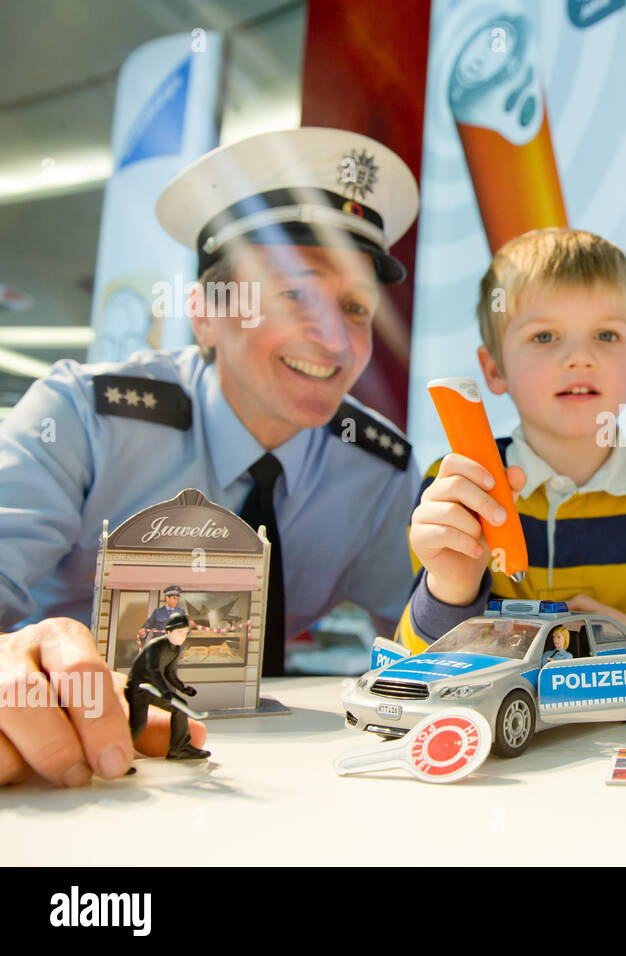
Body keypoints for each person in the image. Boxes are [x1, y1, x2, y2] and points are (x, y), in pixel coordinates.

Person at [0, 127, 422, 787]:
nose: (336, 338)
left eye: (356, 306)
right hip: (81, 766)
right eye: (296, 295)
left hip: (280, 781)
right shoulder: (86, 419)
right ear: (204, 314)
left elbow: (422, 636)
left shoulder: (374, 468)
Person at [398, 228, 626, 679]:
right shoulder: (457, 488)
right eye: (545, 336)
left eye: (606, 335)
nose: (580, 358)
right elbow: (415, 663)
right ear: (494, 368)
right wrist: (452, 586)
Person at [124, 612, 208, 761]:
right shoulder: (155, 646)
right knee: (138, 725)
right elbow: (153, 670)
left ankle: (179, 749)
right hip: (138, 689)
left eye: (185, 632)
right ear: (168, 631)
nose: (183, 636)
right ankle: (119, 755)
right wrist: (165, 691)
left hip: (154, 689)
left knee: (180, 707)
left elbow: (169, 673)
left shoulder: (175, 649)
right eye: (179, 632)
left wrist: (182, 688)